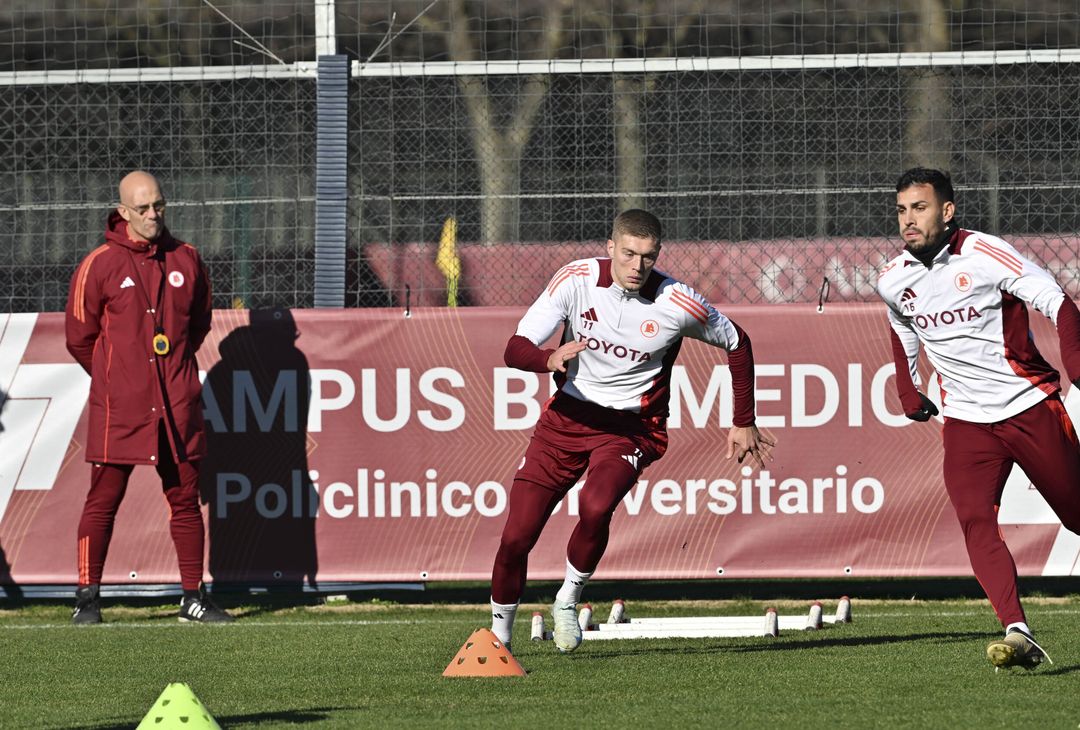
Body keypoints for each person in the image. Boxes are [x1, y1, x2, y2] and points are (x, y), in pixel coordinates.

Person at [489, 209, 775, 653]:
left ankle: (567, 598)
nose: (637, 266)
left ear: (657, 254)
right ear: (610, 248)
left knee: (596, 504)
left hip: (631, 429)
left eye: (647, 256)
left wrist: (743, 420)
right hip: (565, 420)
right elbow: (514, 348)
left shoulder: (676, 302)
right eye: (628, 254)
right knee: (515, 538)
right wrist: (546, 359)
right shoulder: (576, 279)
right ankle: (498, 642)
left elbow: (738, 342)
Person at [877, 167, 1080, 670]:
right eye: (902, 210)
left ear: (947, 212)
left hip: (1028, 406)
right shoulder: (892, 279)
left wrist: (1077, 362)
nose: (908, 220)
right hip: (966, 422)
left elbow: (1057, 302)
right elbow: (903, 331)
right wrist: (909, 389)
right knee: (974, 520)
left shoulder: (986, 253)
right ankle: (1017, 628)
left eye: (919, 208)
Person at [65, 170, 233, 624]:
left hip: (176, 402)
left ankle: (193, 598)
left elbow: (196, 327)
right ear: (123, 212)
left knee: (185, 498)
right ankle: (87, 599)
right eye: (142, 208)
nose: (153, 214)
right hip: (119, 406)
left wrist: (171, 372)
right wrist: (117, 378)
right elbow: (79, 338)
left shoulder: (188, 259)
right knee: (103, 498)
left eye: (158, 205)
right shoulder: (97, 264)